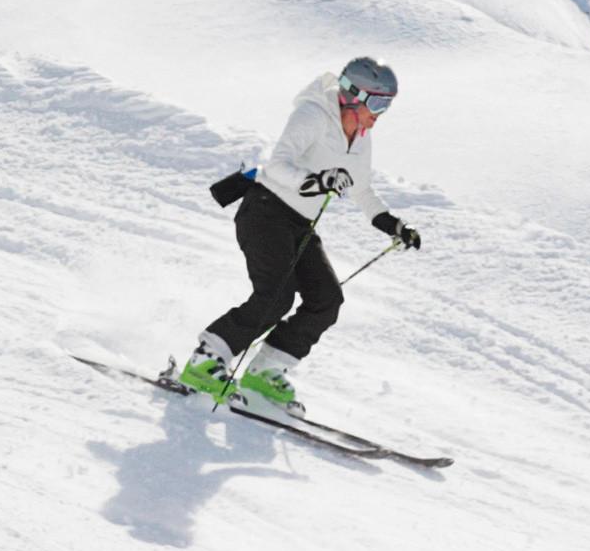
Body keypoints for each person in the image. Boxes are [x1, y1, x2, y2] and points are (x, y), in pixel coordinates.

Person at [178, 57, 422, 404]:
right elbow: (278, 164)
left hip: (300, 224)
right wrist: (315, 182)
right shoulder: (313, 115)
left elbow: (362, 190)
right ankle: (205, 361)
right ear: (354, 95)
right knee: (276, 297)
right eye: (379, 103)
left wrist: (393, 224)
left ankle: (266, 370)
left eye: (388, 105)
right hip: (265, 211)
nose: (381, 114)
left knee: (326, 300)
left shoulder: (362, 136)